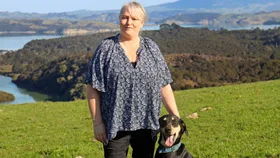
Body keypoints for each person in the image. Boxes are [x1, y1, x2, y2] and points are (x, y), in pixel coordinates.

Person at [85, 1, 180, 158]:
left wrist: (175, 118)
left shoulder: (151, 48)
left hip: (147, 125)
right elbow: (92, 87)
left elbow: (164, 85)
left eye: (134, 19)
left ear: (142, 23)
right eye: (124, 17)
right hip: (114, 126)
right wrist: (97, 123)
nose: (129, 22)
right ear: (119, 20)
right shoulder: (106, 48)